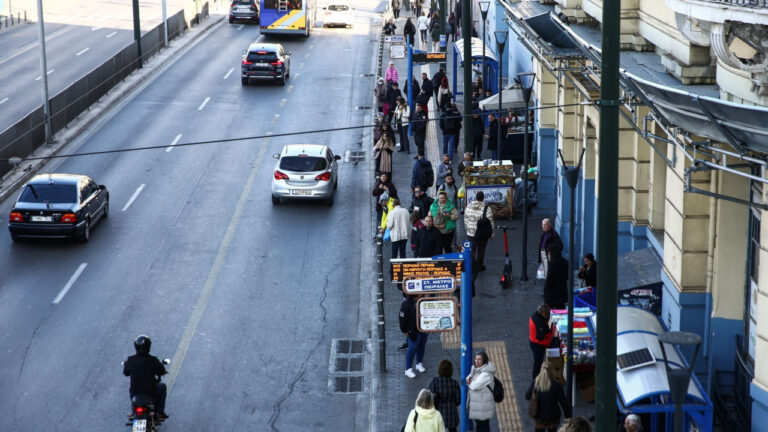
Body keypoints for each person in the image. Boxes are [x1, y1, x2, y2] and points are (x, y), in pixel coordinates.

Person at [123, 335, 169, 420]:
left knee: (131, 390)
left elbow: (126, 373)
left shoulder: (130, 360)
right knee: (162, 387)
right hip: (150, 392)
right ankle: (160, 412)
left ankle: (133, 412)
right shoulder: (153, 360)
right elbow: (162, 371)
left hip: (135, 392)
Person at [525, 362, 571, 432]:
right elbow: (564, 403)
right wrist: (568, 417)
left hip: (539, 417)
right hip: (553, 417)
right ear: (552, 371)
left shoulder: (535, 383)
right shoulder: (556, 386)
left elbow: (527, 396)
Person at [466, 352, 496, 432]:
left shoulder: (486, 374)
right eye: (476, 359)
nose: (477, 361)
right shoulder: (478, 369)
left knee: (483, 426)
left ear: (484, 361)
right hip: (479, 405)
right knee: (481, 425)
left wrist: (470, 381)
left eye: (479, 360)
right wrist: (470, 378)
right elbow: (469, 378)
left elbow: (474, 386)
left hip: (483, 406)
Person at [400, 294, 429, 378]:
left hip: (423, 328)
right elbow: (402, 319)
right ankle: (408, 369)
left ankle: (419, 363)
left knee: (422, 346)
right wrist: (404, 330)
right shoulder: (406, 304)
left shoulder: (424, 300)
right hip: (412, 330)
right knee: (412, 348)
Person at [428, 360, 461, 432]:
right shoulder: (454, 383)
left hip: (437, 411)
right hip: (451, 412)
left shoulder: (435, 381)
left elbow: (428, 395)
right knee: (453, 429)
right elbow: (458, 400)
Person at [464, 191, 493, 269]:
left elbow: (466, 219)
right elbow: (490, 222)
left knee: (472, 249)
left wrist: (468, 228)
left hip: (471, 233)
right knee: (481, 249)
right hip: (482, 233)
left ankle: (472, 265)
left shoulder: (468, 206)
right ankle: (480, 266)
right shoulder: (487, 208)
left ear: (475, 198)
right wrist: (491, 234)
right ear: (483, 198)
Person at [529, 304, 555, 380]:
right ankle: (535, 380)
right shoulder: (539, 322)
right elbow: (541, 337)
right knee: (537, 363)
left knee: (538, 362)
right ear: (541, 312)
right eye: (546, 314)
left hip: (534, 342)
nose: (547, 315)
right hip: (538, 345)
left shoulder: (536, 316)